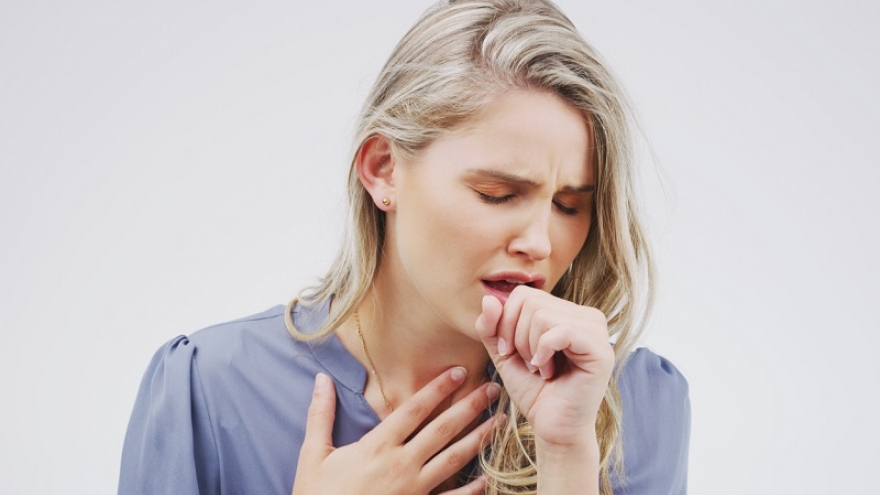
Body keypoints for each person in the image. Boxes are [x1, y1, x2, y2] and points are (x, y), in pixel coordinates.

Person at [118, 0, 690, 494]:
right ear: (383, 169)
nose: (539, 243)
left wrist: (566, 456)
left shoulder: (633, 403)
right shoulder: (210, 390)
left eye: (568, 205)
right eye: (496, 194)